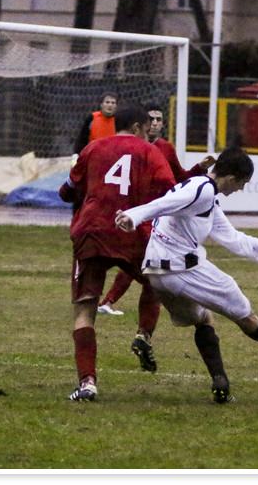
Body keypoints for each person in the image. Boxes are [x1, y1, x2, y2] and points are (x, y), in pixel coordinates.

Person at [114, 147, 258, 403]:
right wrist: (133, 216)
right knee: (246, 317)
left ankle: (220, 383)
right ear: (232, 178)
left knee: (203, 318)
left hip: (157, 273)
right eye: (242, 184)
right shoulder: (202, 190)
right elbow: (162, 204)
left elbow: (231, 238)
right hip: (182, 269)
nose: (241, 190)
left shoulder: (204, 193)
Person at [59, 106, 175, 401]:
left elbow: (67, 189)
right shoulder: (149, 152)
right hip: (130, 231)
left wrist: (82, 193)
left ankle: (87, 382)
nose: (150, 131)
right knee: (155, 282)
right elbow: (169, 190)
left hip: (93, 231)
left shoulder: (93, 148)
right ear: (137, 127)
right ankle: (143, 334)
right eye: (148, 127)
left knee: (85, 308)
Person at [97, 107, 216, 316]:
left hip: (155, 217)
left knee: (142, 262)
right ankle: (108, 303)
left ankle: (106, 302)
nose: (154, 123)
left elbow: (179, 178)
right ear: (140, 123)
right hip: (130, 212)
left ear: (163, 123)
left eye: (158, 119)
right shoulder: (130, 146)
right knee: (141, 264)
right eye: (150, 119)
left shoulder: (165, 148)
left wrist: (199, 168)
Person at [73, 92, 119, 157]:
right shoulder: (92, 118)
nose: (110, 105)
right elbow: (82, 139)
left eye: (113, 103)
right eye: (107, 102)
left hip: (113, 157)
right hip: (93, 156)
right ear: (101, 104)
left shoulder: (119, 120)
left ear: (116, 106)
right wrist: (76, 154)